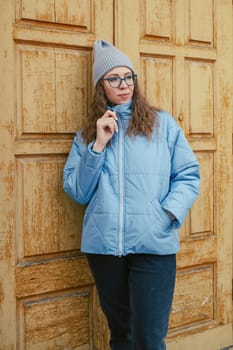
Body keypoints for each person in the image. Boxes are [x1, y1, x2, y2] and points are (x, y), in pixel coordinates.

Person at [63, 40, 200, 350]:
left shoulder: (162, 125)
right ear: (102, 86)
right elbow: (77, 190)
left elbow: (188, 175)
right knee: (121, 336)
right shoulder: (87, 134)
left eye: (129, 77)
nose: (123, 85)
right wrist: (98, 145)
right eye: (114, 78)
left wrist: (165, 215)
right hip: (104, 249)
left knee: (149, 338)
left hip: (153, 244)